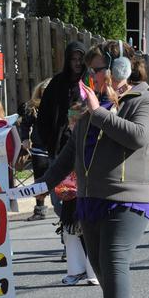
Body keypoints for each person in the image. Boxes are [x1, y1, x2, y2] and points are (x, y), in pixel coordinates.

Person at [39, 40, 149, 298]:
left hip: (128, 199)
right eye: (89, 69)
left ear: (119, 68)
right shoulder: (89, 106)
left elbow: (137, 136)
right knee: (98, 265)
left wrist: (98, 113)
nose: (90, 74)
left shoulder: (144, 100)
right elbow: (71, 151)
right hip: (90, 198)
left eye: (96, 68)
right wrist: (44, 183)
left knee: (113, 259)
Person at [36, 41, 87, 260]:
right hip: (60, 149)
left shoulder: (90, 84)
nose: (77, 63)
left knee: (81, 199)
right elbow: (43, 118)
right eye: (73, 59)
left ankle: (79, 245)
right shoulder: (57, 84)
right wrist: (48, 142)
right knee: (59, 201)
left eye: (80, 59)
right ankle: (69, 235)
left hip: (85, 150)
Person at [56, 109, 98, 286]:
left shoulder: (95, 141)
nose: (74, 125)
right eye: (72, 121)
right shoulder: (67, 141)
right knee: (70, 231)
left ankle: (94, 271)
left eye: (77, 121)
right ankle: (75, 270)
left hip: (90, 192)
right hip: (70, 193)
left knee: (90, 232)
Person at [18, 78, 52, 220]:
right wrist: (25, 138)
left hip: (57, 148)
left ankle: (66, 207)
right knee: (40, 180)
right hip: (39, 149)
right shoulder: (33, 107)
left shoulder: (61, 105)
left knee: (63, 178)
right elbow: (25, 124)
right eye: (44, 92)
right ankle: (40, 210)